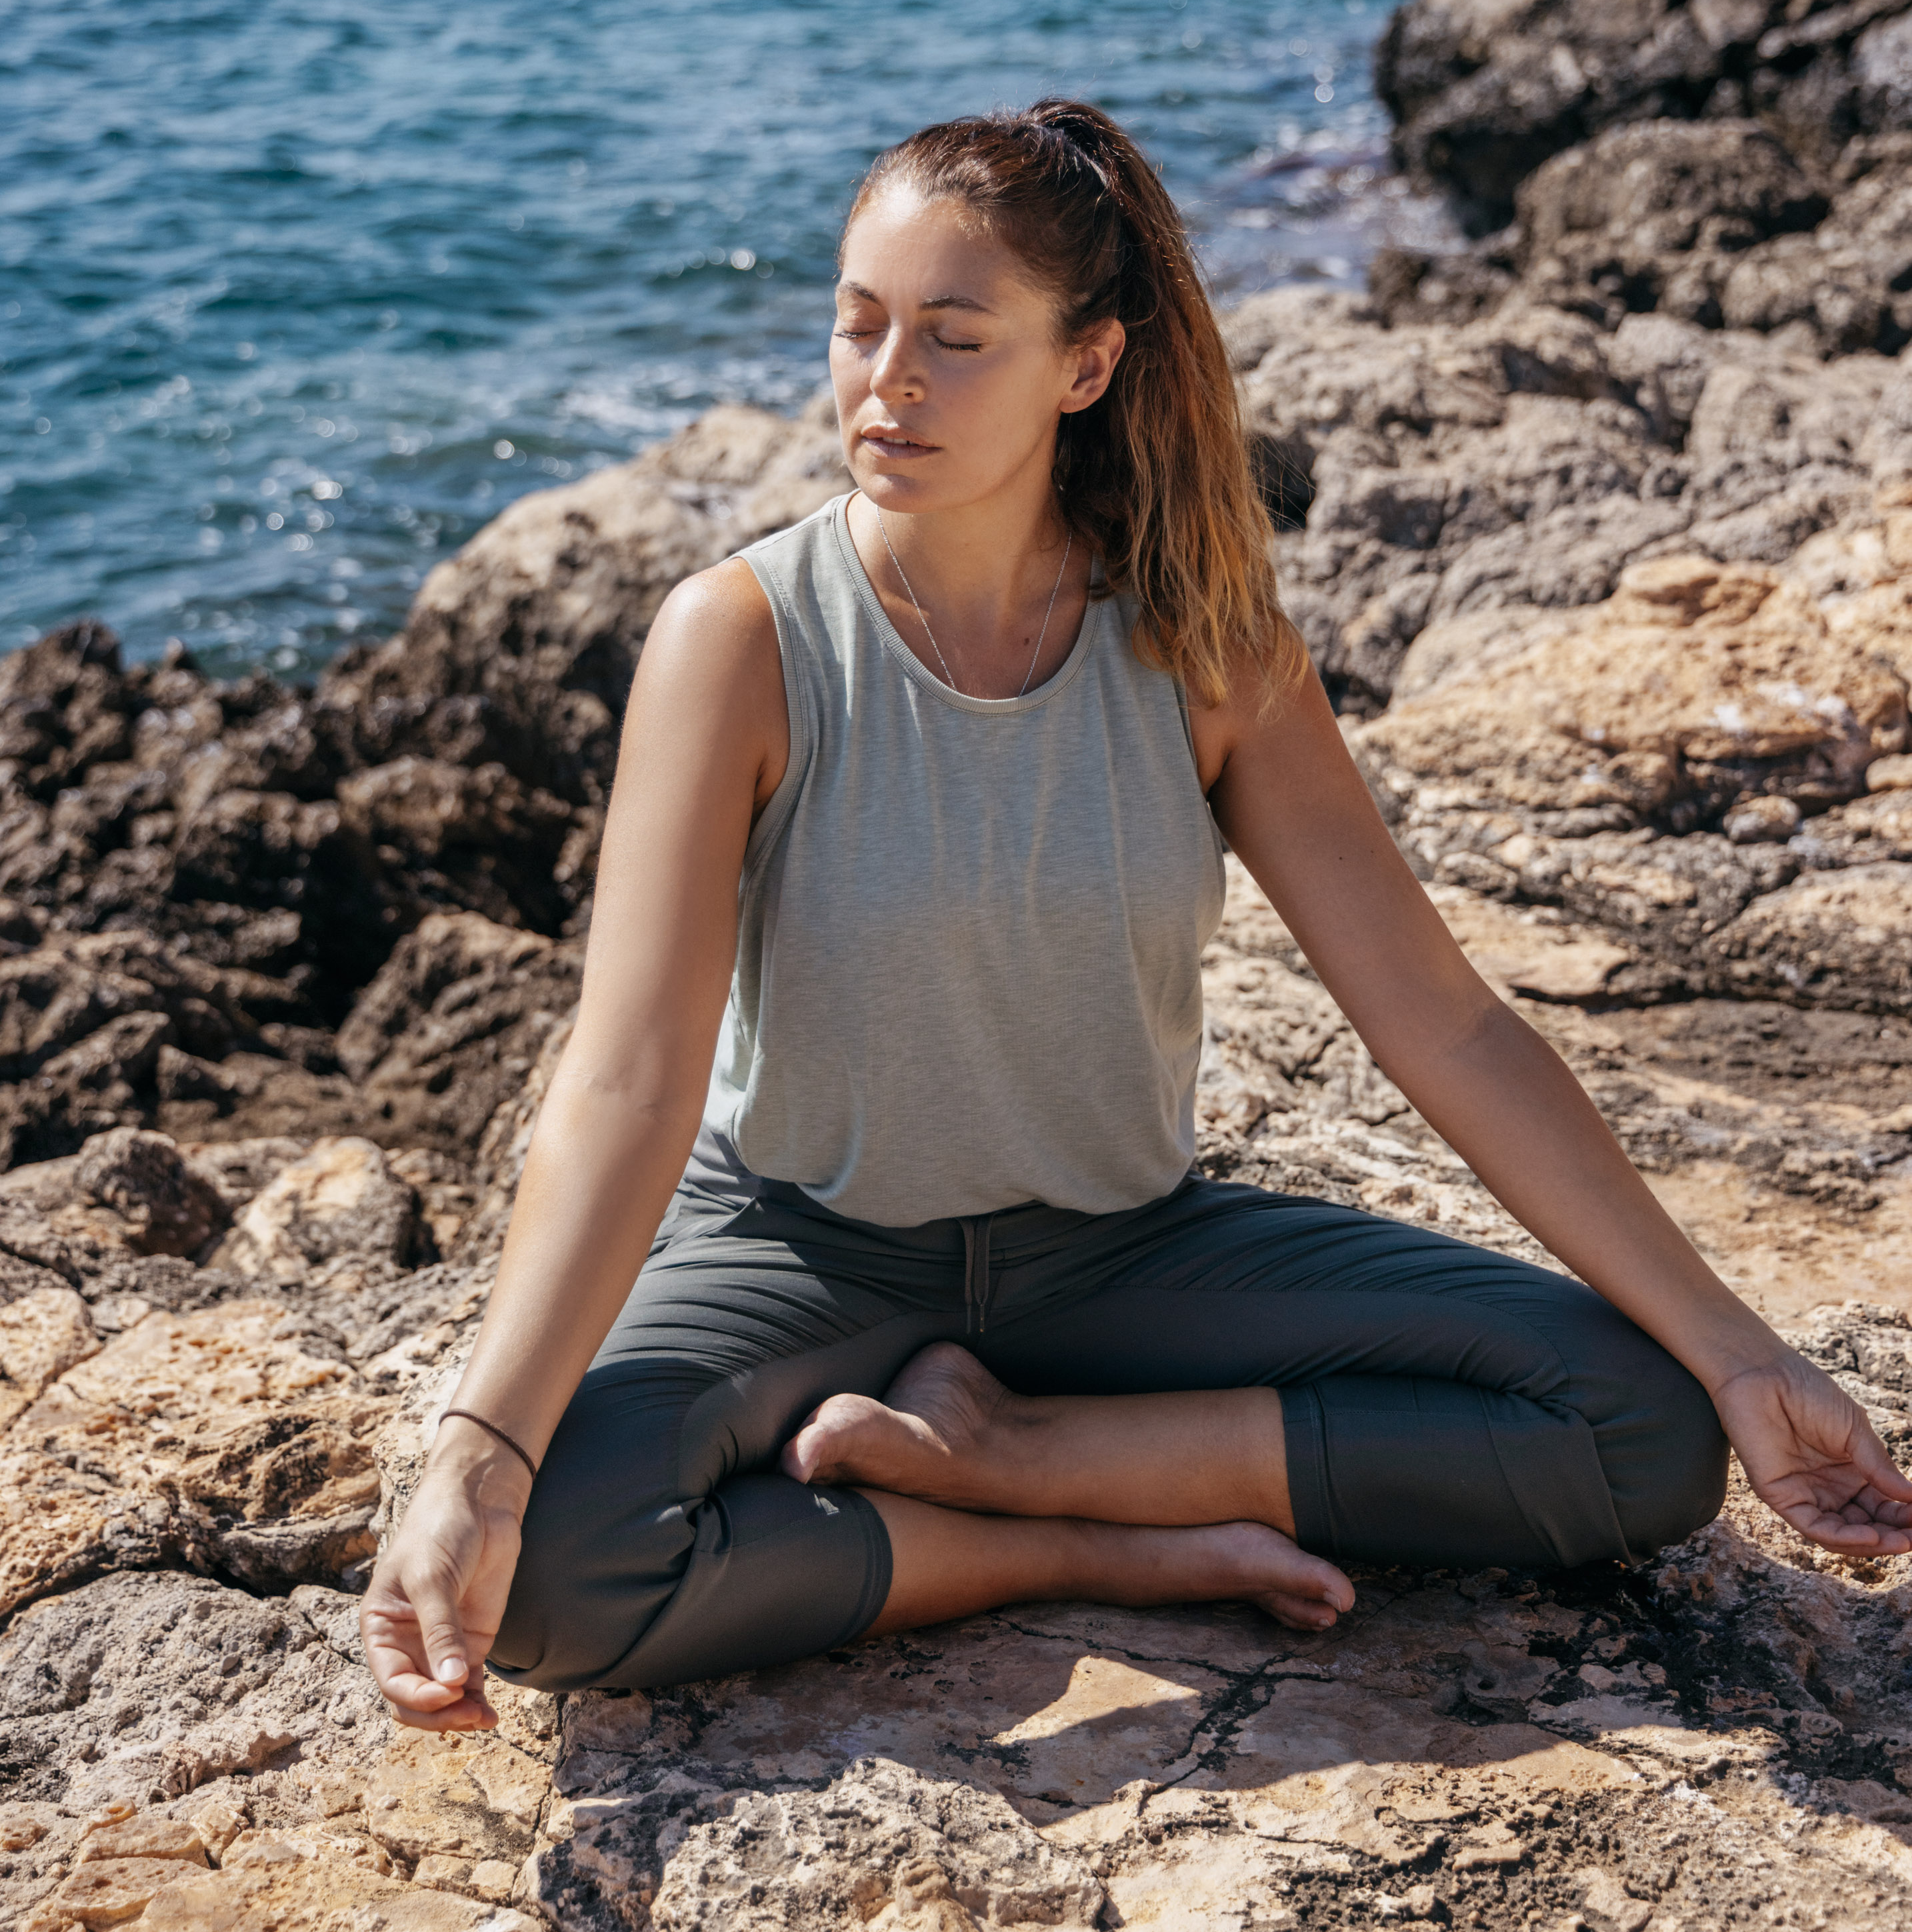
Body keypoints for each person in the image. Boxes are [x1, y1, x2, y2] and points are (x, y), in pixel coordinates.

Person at [361, 98, 1912, 1730]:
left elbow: (1443, 1021)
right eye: (859, 322)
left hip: (1121, 1258)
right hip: (803, 1246)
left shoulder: (1206, 646)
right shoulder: (739, 639)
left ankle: (1030, 1451)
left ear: (1082, 366)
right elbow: (625, 1081)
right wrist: (483, 1442)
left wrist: (1743, 1354)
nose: (887, 380)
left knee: (1645, 1433)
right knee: (545, 1561)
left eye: (956, 338)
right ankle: (1056, 1546)